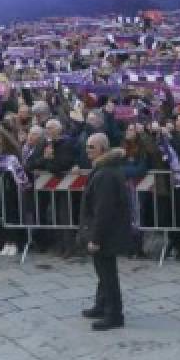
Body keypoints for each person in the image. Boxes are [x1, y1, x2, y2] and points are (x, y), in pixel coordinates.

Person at [78, 133, 132, 331]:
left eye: (91, 147)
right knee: (103, 271)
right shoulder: (104, 169)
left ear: (102, 149)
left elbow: (103, 210)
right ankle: (102, 305)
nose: (87, 150)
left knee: (108, 274)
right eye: (87, 146)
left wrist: (95, 238)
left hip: (107, 232)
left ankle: (114, 314)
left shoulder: (105, 174)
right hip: (108, 230)